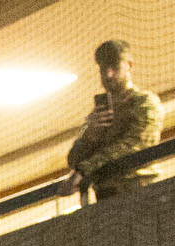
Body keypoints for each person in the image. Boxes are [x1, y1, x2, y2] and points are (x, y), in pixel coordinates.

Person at [65, 39, 161, 201]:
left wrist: (85, 169)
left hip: (140, 189)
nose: (108, 75)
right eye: (103, 69)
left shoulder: (144, 102)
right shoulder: (98, 115)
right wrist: (90, 136)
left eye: (115, 67)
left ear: (129, 65)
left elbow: (135, 144)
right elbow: (73, 160)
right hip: (106, 197)